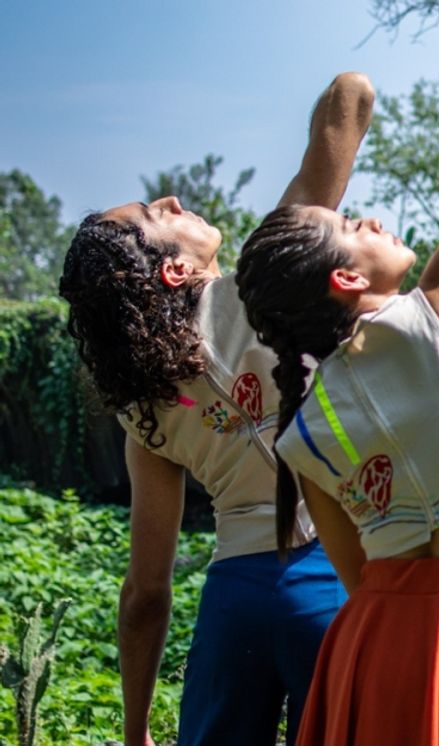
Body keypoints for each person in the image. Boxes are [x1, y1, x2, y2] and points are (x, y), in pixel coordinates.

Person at [58, 72, 374, 746]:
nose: (172, 198)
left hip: (235, 603)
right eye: (158, 215)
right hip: (338, 576)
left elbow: (145, 593)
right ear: (173, 270)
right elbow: (352, 98)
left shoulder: (141, 414)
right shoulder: (263, 287)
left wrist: (137, 727)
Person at [235, 139, 439, 745]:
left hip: (378, 652)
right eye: (348, 223)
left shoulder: (302, 432)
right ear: (346, 277)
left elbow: (367, 577)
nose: (370, 218)